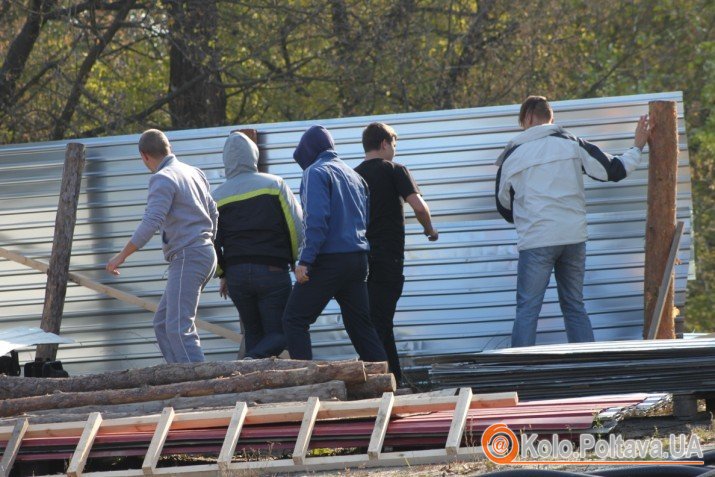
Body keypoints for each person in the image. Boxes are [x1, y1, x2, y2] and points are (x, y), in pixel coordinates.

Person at [495, 96, 651, 347]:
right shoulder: (571, 144)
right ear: (550, 118)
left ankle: (520, 375)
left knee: (527, 309)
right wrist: (638, 146)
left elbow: (503, 205)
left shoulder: (513, 155)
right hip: (573, 238)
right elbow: (614, 170)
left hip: (537, 240)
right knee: (574, 305)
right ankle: (588, 368)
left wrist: (528, 219)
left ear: (528, 118)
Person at [106, 129, 218, 363]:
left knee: (178, 327)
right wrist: (207, 241)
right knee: (163, 322)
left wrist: (121, 256)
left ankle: (200, 386)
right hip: (205, 251)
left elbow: (151, 222)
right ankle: (179, 376)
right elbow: (214, 212)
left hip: (188, 255)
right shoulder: (193, 172)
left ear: (145, 156)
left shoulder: (163, 177)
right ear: (168, 148)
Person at [282, 125, 387, 362]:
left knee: (294, 319)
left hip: (329, 259)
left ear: (309, 151)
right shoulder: (355, 176)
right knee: (361, 326)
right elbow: (365, 219)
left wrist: (305, 260)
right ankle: (384, 380)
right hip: (358, 260)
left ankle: (307, 384)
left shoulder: (315, 172)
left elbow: (316, 221)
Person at [355, 122, 438, 382]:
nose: (394, 150)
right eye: (394, 144)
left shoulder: (352, 175)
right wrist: (429, 230)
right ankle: (384, 380)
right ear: (383, 144)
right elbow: (420, 207)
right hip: (388, 257)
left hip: (359, 258)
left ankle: (394, 378)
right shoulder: (396, 170)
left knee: (377, 319)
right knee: (380, 320)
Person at [212, 131, 303, 359]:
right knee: (281, 332)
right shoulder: (274, 185)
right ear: (254, 154)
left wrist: (223, 272)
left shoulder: (216, 196)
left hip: (236, 276)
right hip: (272, 271)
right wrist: (295, 260)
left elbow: (210, 239)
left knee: (253, 333)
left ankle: (253, 388)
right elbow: (295, 227)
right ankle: (250, 362)